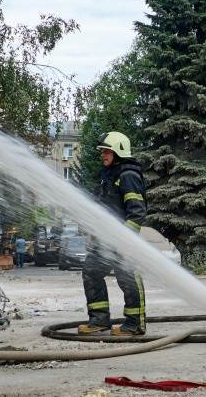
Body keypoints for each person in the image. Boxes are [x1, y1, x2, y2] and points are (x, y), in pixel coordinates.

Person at [78, 131, 148, 335]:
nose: (103, 155)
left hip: (122, 240)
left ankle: (135, 323)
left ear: (118, 151)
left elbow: (137, 212)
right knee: (91, 271)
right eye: (102, 152)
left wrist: (125, 240)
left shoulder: (128, 175)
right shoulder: (110, 175)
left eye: (107, 151)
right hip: (105, 239)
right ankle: (99, 320)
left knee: (127, 278)